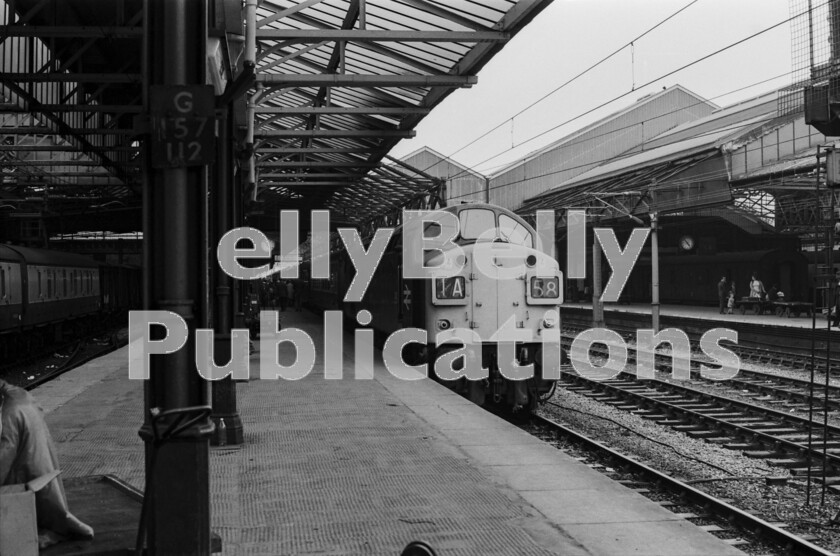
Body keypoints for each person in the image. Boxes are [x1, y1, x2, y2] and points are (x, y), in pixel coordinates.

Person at [0, 379, 94, 547]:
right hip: (42, 473)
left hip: (26, 482)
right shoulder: (20, 395)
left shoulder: (9, 413)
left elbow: (4, 458)